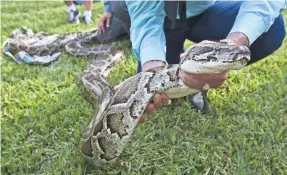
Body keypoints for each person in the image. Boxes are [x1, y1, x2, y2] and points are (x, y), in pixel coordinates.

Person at [107, 1, 286, 122]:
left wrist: (231, 46)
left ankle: (196, 75)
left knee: (273, 29)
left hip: (203, 11)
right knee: (155, 87)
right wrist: (152, 68)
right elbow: (146, 19)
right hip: (162, 16)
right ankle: (184, 65)